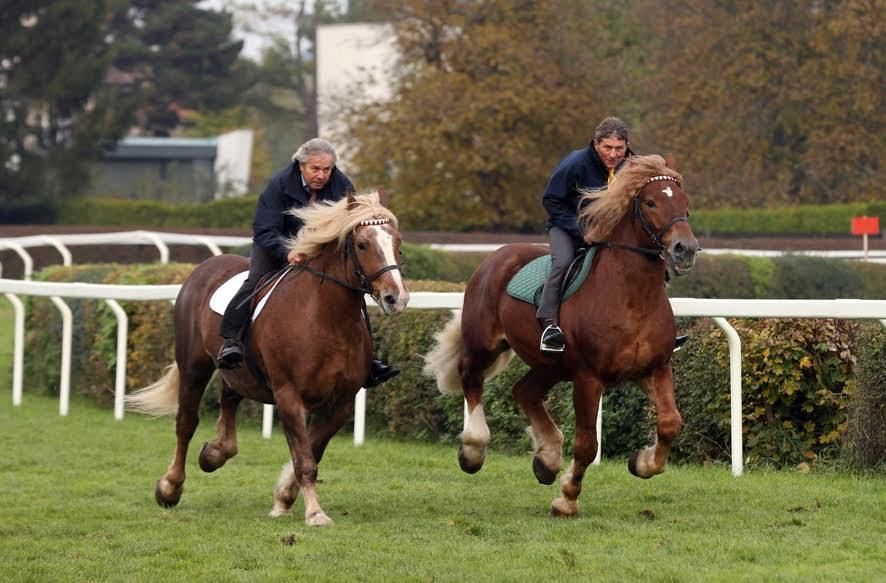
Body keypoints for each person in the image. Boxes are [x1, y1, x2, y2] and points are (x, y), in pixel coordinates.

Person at [217, 137, 399, 387]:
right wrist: (287, 252)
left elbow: (352, 226)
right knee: (254, 283)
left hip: (318, 252)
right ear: (301, 165)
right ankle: (231, 341)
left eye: (327, 169)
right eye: (316, 169)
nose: (322, 175)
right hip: (275, 247)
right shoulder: (279, 184)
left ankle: (368, 359)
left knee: (353, 291)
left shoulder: (343, 184)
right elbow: (264, 229)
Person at [537, 117, 634, 353]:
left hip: (610, 233)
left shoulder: (632, 165)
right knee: (562, 262)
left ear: (627, 145)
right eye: (607, 148)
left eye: (619, 148)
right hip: (567, 227)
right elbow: (551, 201)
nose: (613, 155)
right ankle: (548, 325)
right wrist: (582, 232)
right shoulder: (575, 163)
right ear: (595, 144)